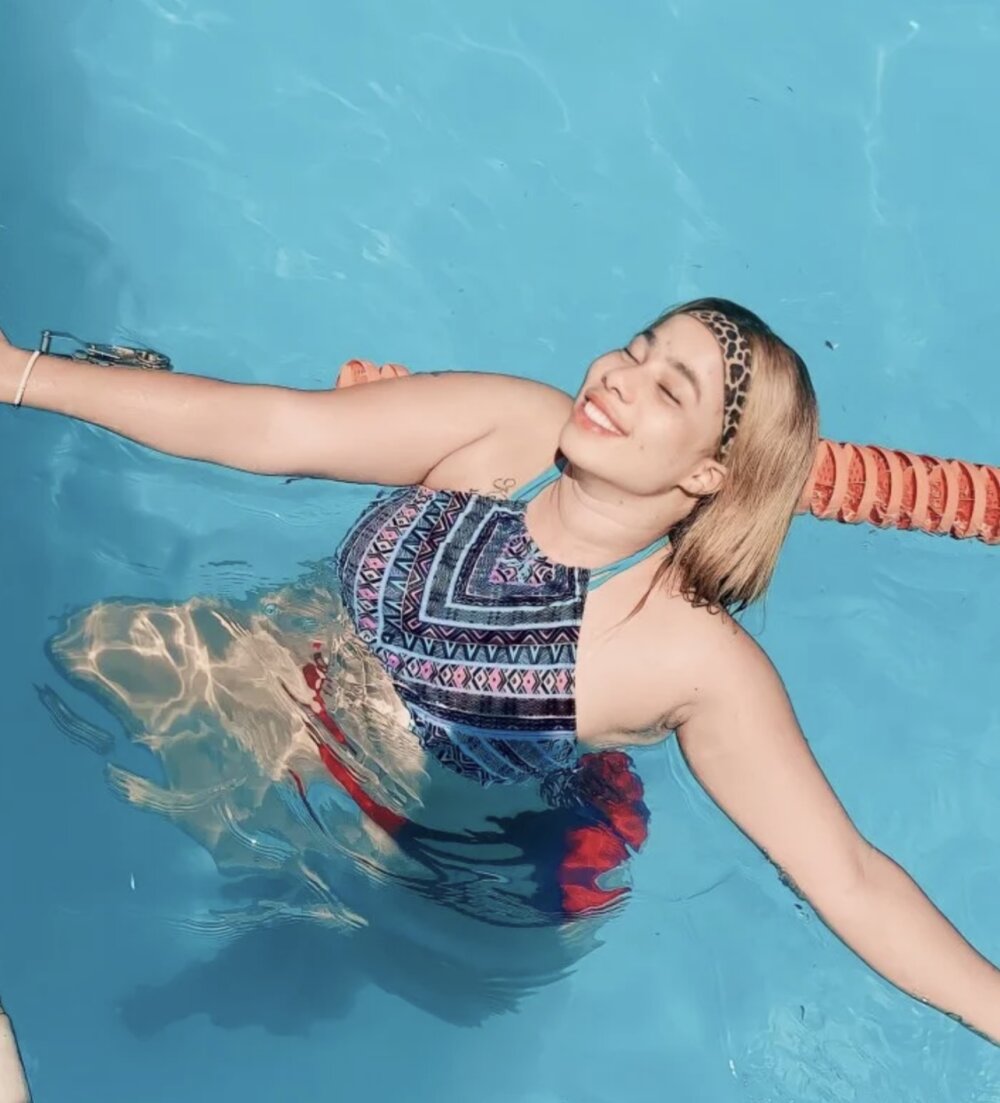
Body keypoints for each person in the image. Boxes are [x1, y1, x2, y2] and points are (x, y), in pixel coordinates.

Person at [3, 298, 999, 1042]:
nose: (617, 375)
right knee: (87, 643)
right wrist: (19, 374)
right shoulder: (508, 427)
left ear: (708, 473)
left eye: (669, 390)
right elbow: (273, 430)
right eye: (637, 347)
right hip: (289, 683)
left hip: (445, 864)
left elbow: (849, 876)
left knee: (279, 990)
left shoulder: (688, 654)